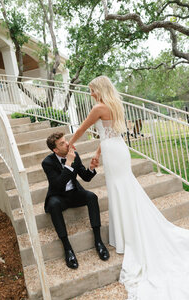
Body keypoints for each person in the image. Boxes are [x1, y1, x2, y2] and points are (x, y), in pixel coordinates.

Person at [68, 75, 189, 300]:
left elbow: (82, 128)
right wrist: (96, 153)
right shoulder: (114, 104)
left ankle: (127, 236)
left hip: (114, 154)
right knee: (123, 191)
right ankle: (125, 232)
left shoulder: (98, 107)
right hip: (118, 150)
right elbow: (110, 134)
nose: (91, 94)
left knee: (120, 191)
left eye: (92, 90)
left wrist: (69, 144)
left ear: (99, 90)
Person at [41, 132, 109, 270]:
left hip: (74, 193)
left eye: (65, 141)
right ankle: (68, 249)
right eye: (62, 143)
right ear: (55, 150)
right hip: (58, 196)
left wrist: (91, 168)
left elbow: (85, 177)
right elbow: (59, 184)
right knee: (53, 205)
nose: (67, 144)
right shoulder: (47, 162)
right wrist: (68, 163)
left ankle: (98, 241)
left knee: (92, 197)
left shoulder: (74, 155)